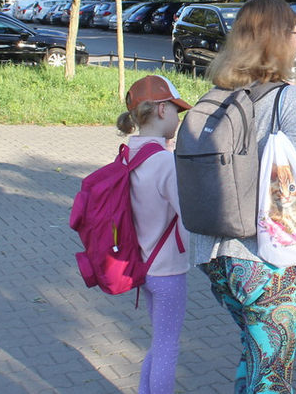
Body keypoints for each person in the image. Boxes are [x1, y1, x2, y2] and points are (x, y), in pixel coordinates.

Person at [188, 0, 296, 393]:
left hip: (211, 254)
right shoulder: (288, 98)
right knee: (273, 377)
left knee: (254, 352)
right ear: (279, 39)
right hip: (262, 261)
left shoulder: (216, 95)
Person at [117, 74, 192, 394]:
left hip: (142, 265)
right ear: (161, 110)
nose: (178, 117)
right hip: (168, 269)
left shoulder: (127, 155)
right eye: (176, 110)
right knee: (167, 347)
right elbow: (188, 212)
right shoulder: (163, 162)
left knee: (158, 342)